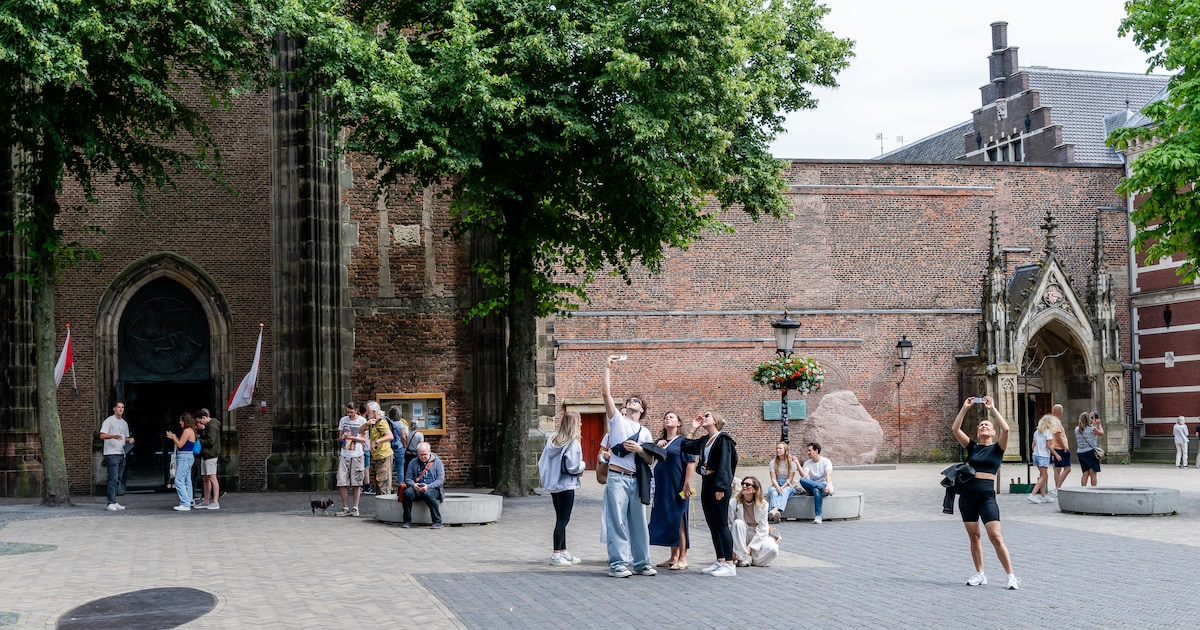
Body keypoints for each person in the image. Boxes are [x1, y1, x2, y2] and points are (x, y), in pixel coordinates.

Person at [950, 396, 1020, 590]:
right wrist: (965, 408)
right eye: (981, 425)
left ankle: (1011, 576)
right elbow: (955, 430)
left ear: (993, 431)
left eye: (987, 425)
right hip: (967, 497)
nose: (983, 426)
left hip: (987, 497)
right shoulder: (972, 447)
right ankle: (980, 574)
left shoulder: (998, 448)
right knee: (974, 537)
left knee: (996, 537)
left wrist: (993, 410)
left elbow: (1006, 429)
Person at [600, 354, 657, 578]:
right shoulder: (617, 421)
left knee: (639, 523)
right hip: (617, 477)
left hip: (636, 479)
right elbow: (606, 394)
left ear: (642, 410)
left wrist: (640, 450)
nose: (631, 402)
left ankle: (642, 563)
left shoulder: (645, 432)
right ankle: (618, 564)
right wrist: (606, 368)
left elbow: (650, 460)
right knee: (616, 522)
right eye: (629, 400)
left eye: (636, 401)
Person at [682, 410, 738, 577]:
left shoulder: (723, 440)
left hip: (718, 483)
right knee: (712, 524)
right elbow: (686, 446)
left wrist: (721, 487)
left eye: (707, 415)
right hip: (707, 482)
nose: (703, 417)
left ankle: (729, 563)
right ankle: (720, 560)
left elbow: (726, 464)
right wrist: (693, 429)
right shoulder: (705, 440)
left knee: (721, 524)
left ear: (715, 420)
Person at [649, 411, 696, 571]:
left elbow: (690, 463)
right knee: (669, 519)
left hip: (678, 485)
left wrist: (687, 484)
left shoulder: (684, 441)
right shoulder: (660, 441)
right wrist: (656, 447)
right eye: (665, 417)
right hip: (662, 487)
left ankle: (683, 558)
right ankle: (673, 556)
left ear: (679, 423)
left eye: (671, 417)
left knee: (680, 519)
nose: (667, 419)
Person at [538, 410, 585, 566]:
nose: (581, 424)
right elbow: (573, 467)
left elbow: (543, 462)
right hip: (566, 484)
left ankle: (563, 550)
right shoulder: (573, 443)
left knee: (560, 518)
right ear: (574, 424)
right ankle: (556, 554)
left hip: (554, 485)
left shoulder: (553, 440)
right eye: (579, 421)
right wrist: (583, 466)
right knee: (563, 520)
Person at [730, 476, 778, 568]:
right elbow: (729, 524)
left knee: (773, 549)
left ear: (754, 490)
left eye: (748, 484)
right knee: (738, 523)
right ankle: (742, 558)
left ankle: (751, 558)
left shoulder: (763, 505)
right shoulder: (734, 502)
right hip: (740, 534)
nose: (744, 486)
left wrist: (750, 548)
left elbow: (763, 529)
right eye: (742, 484)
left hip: (757, 534)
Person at [99, 400, 133, 511]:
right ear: (114, 408)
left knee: (118, 478)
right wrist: (113, 436)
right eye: (118, 407)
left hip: (121, 453)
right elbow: (102, 435)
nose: (120, 409)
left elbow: (124, 438)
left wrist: (130, 439)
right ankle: (110, 502)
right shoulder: (109, 421)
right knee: (112, 478)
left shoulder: (124, 423)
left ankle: (115, 501)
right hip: (111, 453)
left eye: (122, 407)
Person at [401, 442, 445, 528]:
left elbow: (440, 480)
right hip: (417, 487)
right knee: (407, 493)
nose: (422, 457)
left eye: (425, 454)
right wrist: (414, 485)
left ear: (429, 451)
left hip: (432, 488)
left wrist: (428, 487)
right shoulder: (413, 462)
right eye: (420, 455)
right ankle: (407, 521)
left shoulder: (437, 462)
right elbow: (408, 478)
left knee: (428, 494)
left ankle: (437, 521)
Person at [336, 402, 368, 516]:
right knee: (342, 480)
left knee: (356, 482)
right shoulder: (343, 420)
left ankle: (355, 507)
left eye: (351, 412)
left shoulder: (362, 421)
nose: (349, 414)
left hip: (357, 454)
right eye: (347, 412)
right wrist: (343, 437)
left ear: (356, 410)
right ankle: (345, 507)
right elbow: (339, 437)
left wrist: (353, 437)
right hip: (345, 453)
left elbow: (364, 439)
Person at [359, 401, 394, 495]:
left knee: (383, 483)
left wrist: (376, 442)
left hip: (384, 456)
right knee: (379, 483)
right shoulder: (372, 423)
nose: (366, 413)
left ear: (374, 411)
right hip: (378, 456)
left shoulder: (381, 422)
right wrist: (367, 424)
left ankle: (385, 508)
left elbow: (390, 436)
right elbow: (360, 431)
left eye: (368, 411)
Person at [166, 412, 198, 512]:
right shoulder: (191, 430)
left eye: (181, 420)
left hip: (184, 457)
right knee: (187, 480)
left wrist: (174, 437)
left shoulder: (187, 431)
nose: (180, 422)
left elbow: (180, 445)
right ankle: (189, 500)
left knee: (179, 480)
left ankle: (185, 503)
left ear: (185, 421)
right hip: (187, 457)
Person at [797, 442, 833, 523]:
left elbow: (828, 475)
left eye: (810, 450)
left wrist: (827, 486)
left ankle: (818, 516)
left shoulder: (826, 461)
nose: (808, 453)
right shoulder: (807, 463)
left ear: (816, 450)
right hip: (813, 486)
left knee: (816, 490)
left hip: (824, 486)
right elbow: (804, 476)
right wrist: (797, 464)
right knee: (802, 480)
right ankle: (821, 488)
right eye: (807, 451)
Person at [766, 442, 800, 523]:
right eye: (777, 448)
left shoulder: (792, 463)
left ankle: (774, 510)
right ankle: (775, 513)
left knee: (784, 492)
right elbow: (773, 479)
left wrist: (782, 487)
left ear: (785, 450)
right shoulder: (773, 462)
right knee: (773, 492)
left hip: (788, 484)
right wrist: (777, 487)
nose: (778, 450)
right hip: (776, 482)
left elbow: (790, 478)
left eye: (780, 448)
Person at [196, 408, 221, 510]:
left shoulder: (213, 426)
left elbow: (210, 441)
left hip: (211, 455)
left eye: (200, 421)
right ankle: (206, 500)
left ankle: (215, 501)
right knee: (206, 478)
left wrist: (198, 440)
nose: (200, 423)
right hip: (206, 455)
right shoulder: (208, 426)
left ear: (204, 417)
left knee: (212, 477)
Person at [1028, 415, 1054, 504]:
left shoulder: (1036, 432)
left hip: (1035, 455)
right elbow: (1049, 446)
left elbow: (1033, 446)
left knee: (1044, 475)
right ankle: (1032, 494)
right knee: (1043, 476)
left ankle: (1043, 496)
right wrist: (1056, 455)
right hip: (1043, 456)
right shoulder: (1048, 432)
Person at [1076, 411, 1105, 487]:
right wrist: (1099, 424)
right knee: (1092, 472)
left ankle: (1083, 489)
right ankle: (1093, 489)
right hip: (1090, 452)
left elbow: (1086, 429)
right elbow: (1101, 433)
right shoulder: (1091, 429)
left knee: (1085, 473)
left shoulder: (1076, 429)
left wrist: (1093, 424)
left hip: (1080, 452)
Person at [1049, 414, 1071, 495]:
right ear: (1060, 412)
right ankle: (1058, 488)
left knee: (1057, 469)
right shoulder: (1057, 422)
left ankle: (1057, 488)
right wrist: (1064, 447)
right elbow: (1058, 436)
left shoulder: (1052, 422)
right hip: (1061, 448)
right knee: (1068, 469)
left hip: (1055, 447)